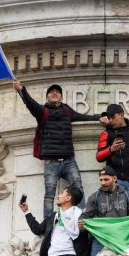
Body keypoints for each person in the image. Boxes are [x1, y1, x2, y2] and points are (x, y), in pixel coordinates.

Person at [13, 79, 108, 218]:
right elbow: (30, 104)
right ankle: (48, 224)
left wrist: (100, 118)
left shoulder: (67, 110)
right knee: (49, 195)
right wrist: (21, 90)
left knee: (78, 189)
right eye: (51, 92)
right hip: (51, 162)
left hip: (69, 160)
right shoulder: (42, 112)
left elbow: (83, 117)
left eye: (57, 92)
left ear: (62, 97)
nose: (54, 93)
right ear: (46, 97)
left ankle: (82, 220)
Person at [21, 187, 87, 256]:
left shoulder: (81, 216)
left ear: (68, 197)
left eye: (62, 193)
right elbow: (37, 229)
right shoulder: (54, 216)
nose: (58, 195)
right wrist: (27, 212)